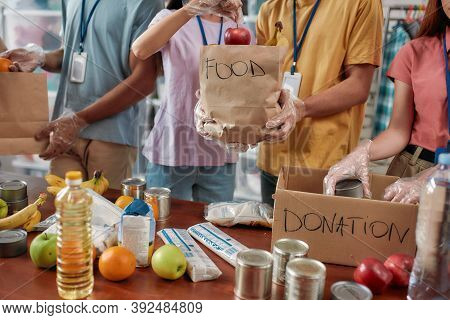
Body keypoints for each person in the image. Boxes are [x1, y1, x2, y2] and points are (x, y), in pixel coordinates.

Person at [1, 0, 164, 189]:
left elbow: (143, 81)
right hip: (65, 130)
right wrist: (41, 57)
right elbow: (72, 54)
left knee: (105, 214)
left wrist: (78, 120)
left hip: (111, 136)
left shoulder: (146, 3)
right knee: (60, 211)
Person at [254, 0, 383, 206]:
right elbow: (260, 80)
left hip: (326, 167)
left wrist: (300, 108)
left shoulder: (361, 3)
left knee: (318, 238)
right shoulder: (269, 9)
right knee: (268, 237)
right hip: (272, 160)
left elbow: (358, 86)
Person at [324, 0, 450, 204]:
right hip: (412, 172)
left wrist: (436, 177)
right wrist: (363, 151)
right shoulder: (414, 52)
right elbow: (399, 131)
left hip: (434, 177)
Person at [131, 0, 249, 203]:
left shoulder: (237, 26)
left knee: (216, 232)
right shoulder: (170, 18)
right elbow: (140, 49)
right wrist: (192, 9)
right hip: (172, 149)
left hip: (219, 153)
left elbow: (246, 85)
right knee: (164, 230)